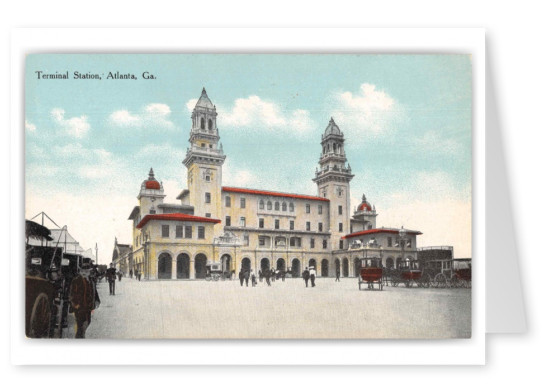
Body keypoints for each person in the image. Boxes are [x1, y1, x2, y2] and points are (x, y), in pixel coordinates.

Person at [69, 261, 99, 338]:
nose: (84, 273)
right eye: (82, 271)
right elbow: (72, 293)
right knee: (80, 326)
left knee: (88, 322)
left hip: (88, 307)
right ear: (79, 272)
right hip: (79, 307)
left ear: (89, 272)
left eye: (86, 271)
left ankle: (82, 336)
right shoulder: (76, 280)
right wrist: (75, 305)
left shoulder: (91, 281)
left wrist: (97, 300)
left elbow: (94, 291)